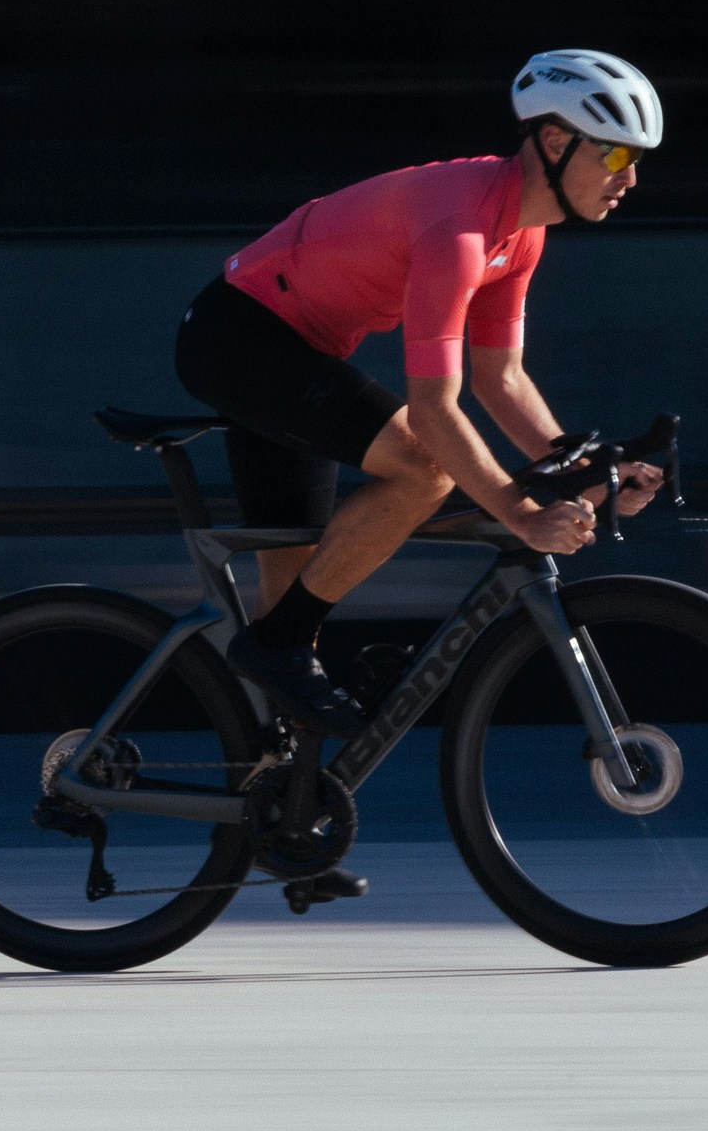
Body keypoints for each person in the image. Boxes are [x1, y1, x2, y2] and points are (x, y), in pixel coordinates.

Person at [171, 49, 668, 736]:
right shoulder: (459, 228)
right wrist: (524, 514)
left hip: (296, 355)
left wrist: (585, 470)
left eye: (638, 159)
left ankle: (274, 796)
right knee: (422, 470)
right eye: (616, 156)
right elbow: (435, 411)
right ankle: (273, 648)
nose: (631, 178)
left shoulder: (520, 235)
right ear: (555, 142)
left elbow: (502, 379)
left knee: (291, 607)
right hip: (241, 338)